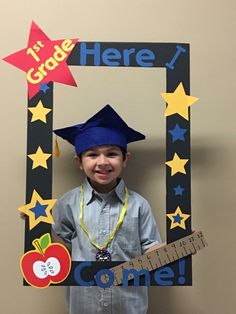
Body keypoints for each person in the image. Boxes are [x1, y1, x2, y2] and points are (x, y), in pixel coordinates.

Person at [52, 104, 163, 314]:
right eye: (92, 155)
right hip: (84, 305)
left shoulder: (139, 205)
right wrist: (37, 224)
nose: (102, 162)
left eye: (111, 153)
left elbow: (151, 250)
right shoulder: (68, 203)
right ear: (79, 162)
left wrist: (182, 242)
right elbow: (61, 251)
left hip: (130, 305)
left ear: (125, 159)